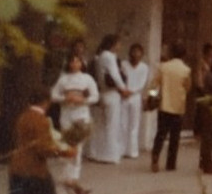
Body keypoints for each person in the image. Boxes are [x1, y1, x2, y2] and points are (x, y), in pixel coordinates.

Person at [49, 53, 98, 184]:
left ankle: (75, 174)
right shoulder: (63, 79)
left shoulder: (87, 79)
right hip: (66, 113)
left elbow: (95, 96)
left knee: (78, 144)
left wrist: (83, 100)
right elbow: (53, 95)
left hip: (81, 113)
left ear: (81, 64)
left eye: (78, 61)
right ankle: (66, 173)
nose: (75, 64)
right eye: (72, 61)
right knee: (66, 143)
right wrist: (65, 98)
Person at [150, 43, 193, 172]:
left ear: (171, 53)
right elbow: (188, 88)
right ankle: (171, 164)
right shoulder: (186, 70)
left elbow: (154, 85)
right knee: (175, 137)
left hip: (164, 105)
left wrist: (152, 97)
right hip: (178, 106)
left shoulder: (163, 67)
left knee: (161, 134)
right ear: (184, 55)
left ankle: (155, 156)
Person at [86, 34, 129, 164]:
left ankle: (96, 152)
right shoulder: (109, 56)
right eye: (118, 43)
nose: (120, 46)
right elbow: (115, 75)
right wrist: (123, 88)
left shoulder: (99, 56)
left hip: (103, 93)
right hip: (112, 93)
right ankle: (110, 155)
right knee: (112, 125)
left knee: (101, 125)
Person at [120, 43, 150, 160]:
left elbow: (141, 84)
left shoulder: (144, 67)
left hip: (135, 97)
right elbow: (120, 79)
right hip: (124, 96)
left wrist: (131, 92)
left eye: (138, 52)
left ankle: (132, 151)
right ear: (130, 53)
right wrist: (124, 90)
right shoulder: (124, 64)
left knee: (134, 124)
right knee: (123, 123)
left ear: (142, 54)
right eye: (134, 51)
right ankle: (121, 150)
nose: (136, 54)